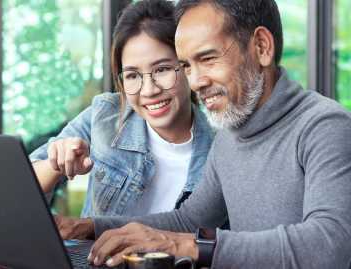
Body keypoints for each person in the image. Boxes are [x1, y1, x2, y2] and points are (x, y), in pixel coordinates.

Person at [67, 0, 351, 268]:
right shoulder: (230, 135)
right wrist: (89, 227)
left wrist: (189, 246)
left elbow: (330, 245)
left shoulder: (325, 126)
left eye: (208, 58)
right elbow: (189, 220)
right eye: (187, 65)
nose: (195, 82)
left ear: (262, 47)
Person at [29, 0, 214, 236]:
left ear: (187, 66)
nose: (148, 90)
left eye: (162, 70)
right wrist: (56, 164)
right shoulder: (105, 116)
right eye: (133, 75)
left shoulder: (219, 149)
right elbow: (19, 187)